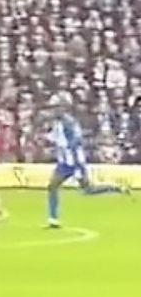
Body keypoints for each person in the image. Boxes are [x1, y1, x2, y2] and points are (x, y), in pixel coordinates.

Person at [46, 94, 128, 228]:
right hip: (64, 162)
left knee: (88, 189)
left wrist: (77, 168)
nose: (53, 110)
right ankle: (53, 218)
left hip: (74, 162)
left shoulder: (69, 123)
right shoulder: (58, 123)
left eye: (55, 107)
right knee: (52, 186)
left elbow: (75, 143)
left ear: (63, 107)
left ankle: (115, 187)